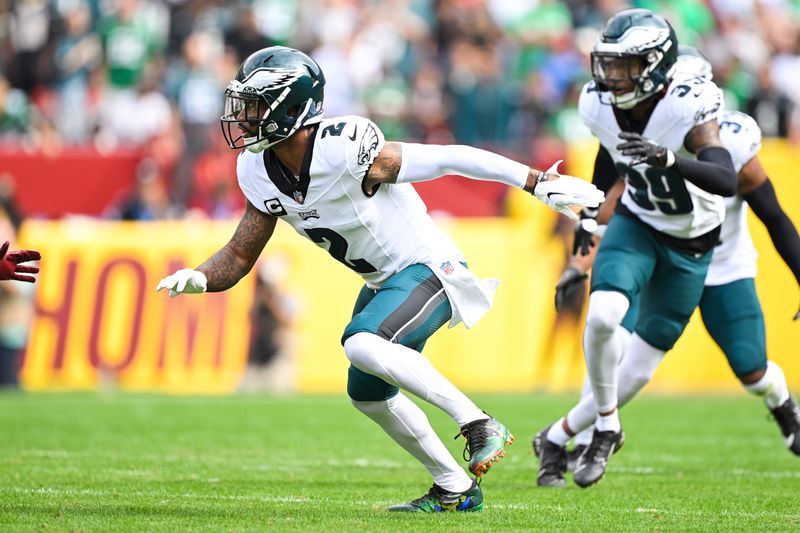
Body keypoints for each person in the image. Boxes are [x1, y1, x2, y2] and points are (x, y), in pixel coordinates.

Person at [156, 46, 604, 511]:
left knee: (362, 343)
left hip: (430, 267)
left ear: (289, 107)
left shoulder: (345, 146)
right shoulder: (257, 169)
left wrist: (534, 182)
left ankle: (477, 423)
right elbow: (239, 252)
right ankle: (455, 487)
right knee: (367, 395)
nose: (244, 118)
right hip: (385, 284)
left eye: (255, 106)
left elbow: (451, 156)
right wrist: (201, 277)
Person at [534, 46, 800, 486]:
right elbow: (608, 181)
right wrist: (582, 256)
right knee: (610, 332)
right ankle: (580, 437)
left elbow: (772, 215)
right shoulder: (635, 120)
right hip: (651, 240)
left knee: (751, 368)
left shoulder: (728, 140)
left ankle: (780, 402)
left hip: (717, 261)